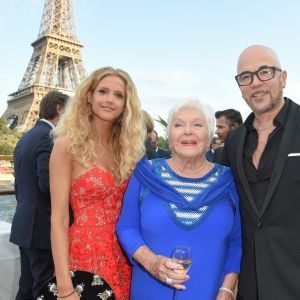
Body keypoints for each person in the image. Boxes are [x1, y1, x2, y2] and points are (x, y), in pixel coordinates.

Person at [116, 99, 242, 300]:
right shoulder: (145, 174)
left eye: (198, 125)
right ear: (169, 134)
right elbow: (126, 227)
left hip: (210, 293)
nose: (187, 131)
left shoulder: (230, 181)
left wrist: (227, 290)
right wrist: (151, 262)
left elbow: (237, 241)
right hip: (150, 290)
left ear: (210, 133)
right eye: (178, 125)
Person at [50, 67, 145, 300]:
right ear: (89, 96)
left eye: (118, 95)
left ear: (126, 104)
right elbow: (59, 219)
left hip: (124, 254)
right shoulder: (67, 146)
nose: (110, 100)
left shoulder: (128, 149)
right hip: (84, 255)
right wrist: (65, 288)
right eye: (103, 91)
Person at [222, 44, 300, 299]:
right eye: (246, 76)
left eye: (265, 72)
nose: (256, 82)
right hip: (251, 284)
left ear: (283, 77)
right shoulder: (234, 141)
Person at [10, 90, 68, 300]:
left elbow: (20, 184)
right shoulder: (49, 138)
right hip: (41, 227)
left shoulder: (26, 137)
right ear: (59, 109)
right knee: (43, 289)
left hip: (24, 224)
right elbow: (47, 184)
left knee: (26, 287)